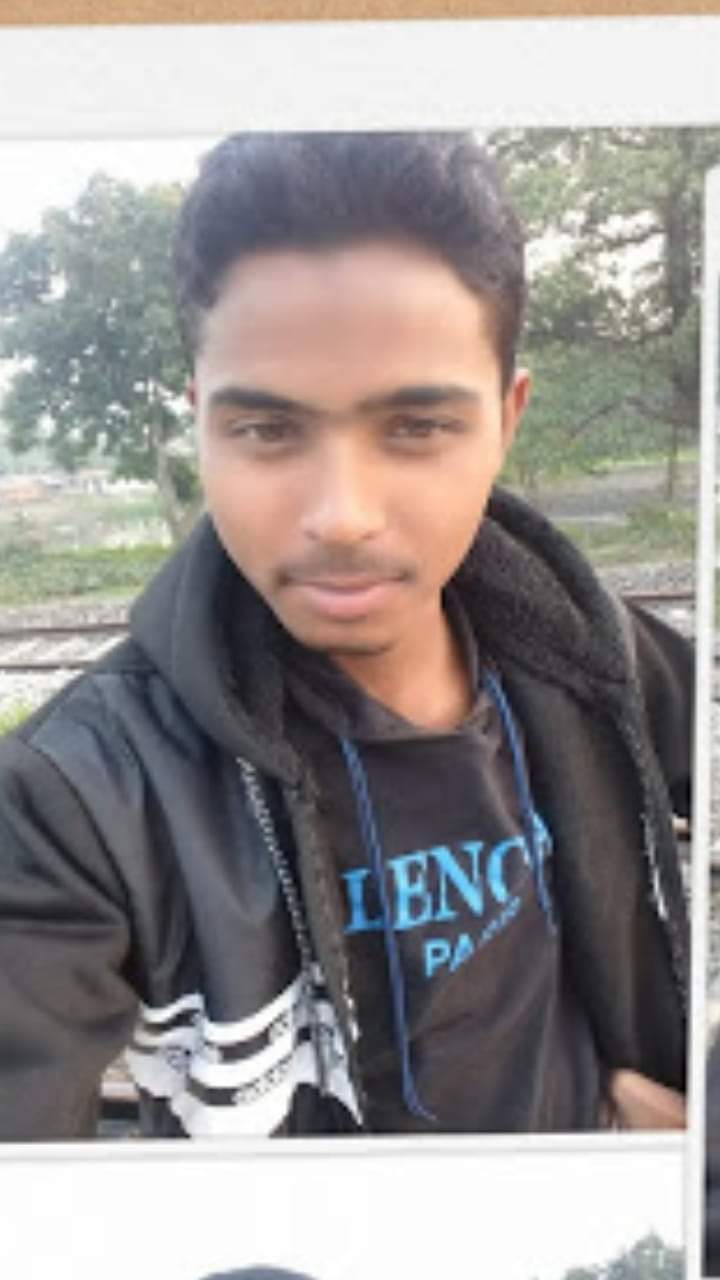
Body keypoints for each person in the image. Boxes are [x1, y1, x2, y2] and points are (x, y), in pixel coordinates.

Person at [0, 132, 692, 1140]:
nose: (342, 517)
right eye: (267, 430)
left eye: (416, 427)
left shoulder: (598, 656)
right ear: (201, 424)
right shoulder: (77, 795)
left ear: (508, 419)